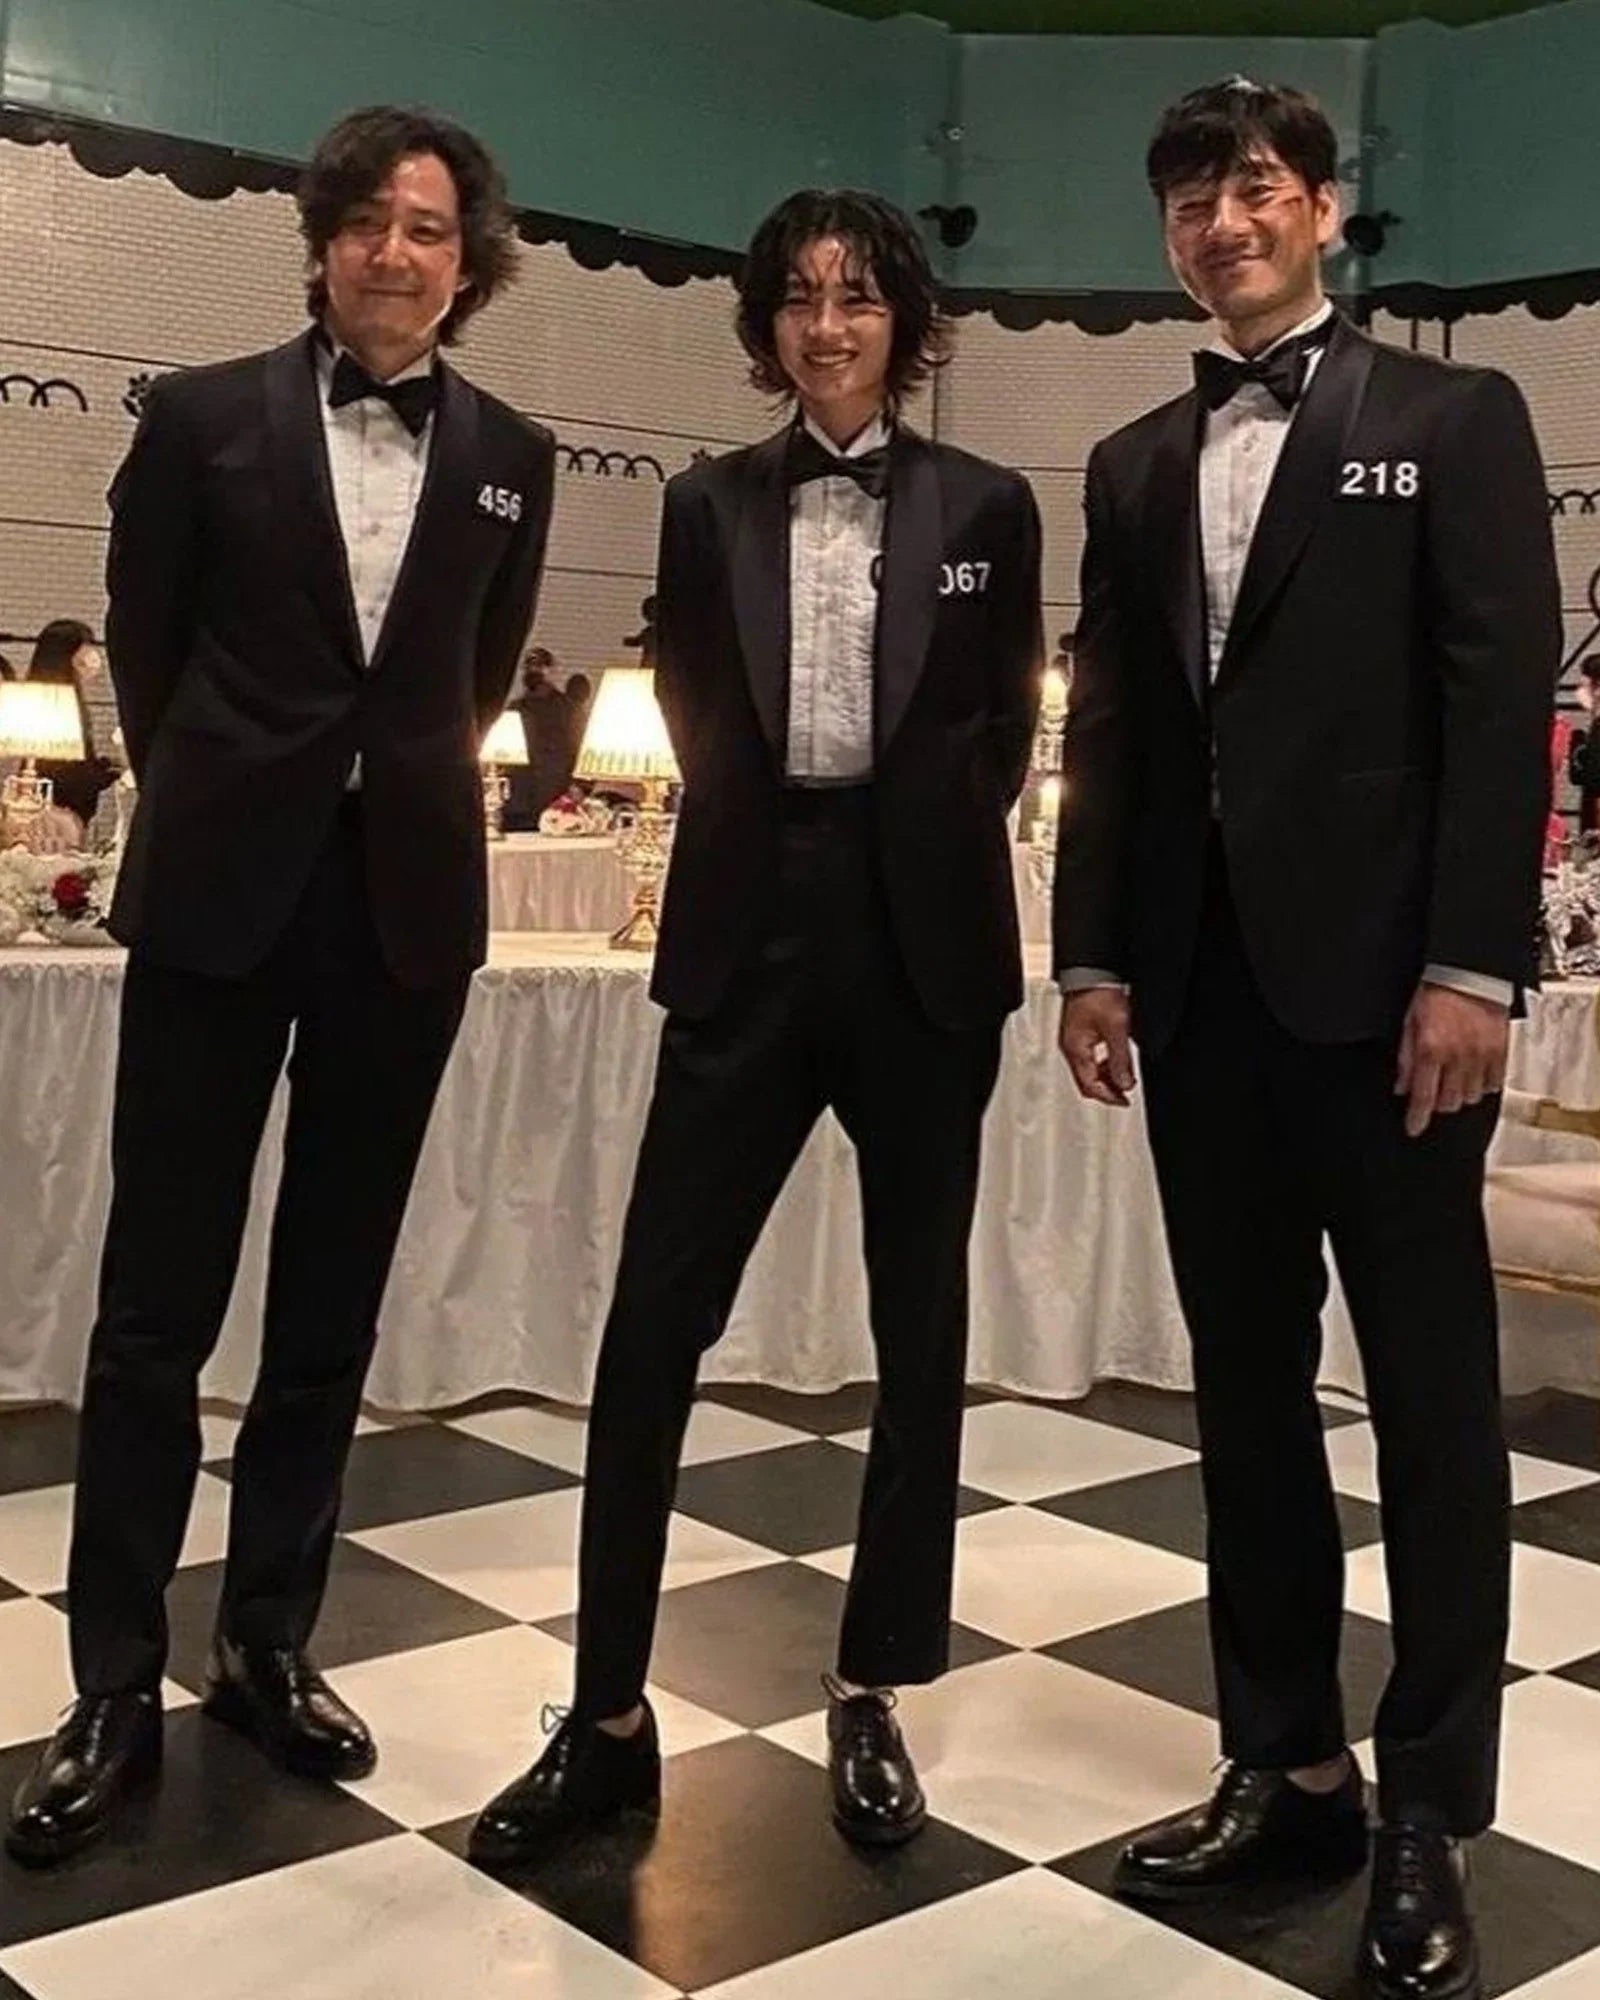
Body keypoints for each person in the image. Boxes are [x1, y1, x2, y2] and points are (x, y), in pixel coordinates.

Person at [1053, 79, 1558, 2000]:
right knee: (1246, 1397)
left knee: (1430, 1405)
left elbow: (1498, 705)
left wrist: (1475, 969)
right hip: (1199, 1000)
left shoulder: (1453, 417)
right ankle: (1287, 1762)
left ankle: (1432, 1801)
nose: (1224, 220)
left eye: (1256, 186)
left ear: (1325, 209)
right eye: (1191, 195)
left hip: (1394, 1007)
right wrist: (1091, 956)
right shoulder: (1129, 462)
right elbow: (1113, 727)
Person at [6, 104, 555, 1866]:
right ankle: (112, 1675)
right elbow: (147, 645)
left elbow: (475, 675)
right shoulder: (199, 416)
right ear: (322, 240)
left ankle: (265, 1642)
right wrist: (241, 790)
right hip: (219, 898)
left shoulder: (515, 453)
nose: (398, 252)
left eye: (431, 228)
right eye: (370, 221)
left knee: (331, 1302)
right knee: (155, 1305)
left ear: (469, 263)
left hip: (404, 912)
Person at [470, 186, 1042, 1865]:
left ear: (903, 319)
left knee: (920, 1328)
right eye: (798, 297)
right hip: (748, 927)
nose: (828, 325)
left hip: (924, 946)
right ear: (765, 325)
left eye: (856, 296)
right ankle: (606, 1713)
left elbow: (1002, 728)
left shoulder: (990, 502)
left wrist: (911, 847)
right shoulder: (706, 503)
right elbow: (700, 707)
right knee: (653, 1320)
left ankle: (873, 1680)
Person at [27, 618, 120, 833]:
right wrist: (104, 775)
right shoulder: (53, 704)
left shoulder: (70, 698)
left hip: (72, 810)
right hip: (58, 816)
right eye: (85, 647)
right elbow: (62, 771)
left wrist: (104, 766)